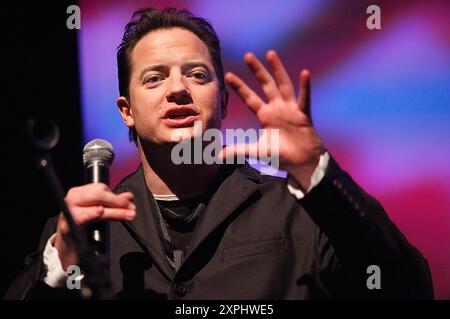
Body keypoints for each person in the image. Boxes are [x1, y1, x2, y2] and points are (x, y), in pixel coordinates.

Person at [5, 7, 433, 300]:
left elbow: (407, 287)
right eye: (154, 78)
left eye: (196, 74)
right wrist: (59, 265)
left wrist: (315, 170)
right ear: (126, 111)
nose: (177, 88)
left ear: (224, 102)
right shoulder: (80, 231)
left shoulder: (298, 212)